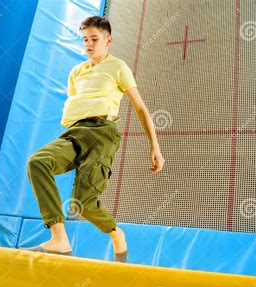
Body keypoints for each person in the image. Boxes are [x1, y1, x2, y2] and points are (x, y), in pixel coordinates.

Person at [23, 16, 165, 262]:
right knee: (38, 162)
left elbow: (140, 108)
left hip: (102, 134)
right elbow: (78, 105)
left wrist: (155, 146)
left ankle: (116, 233)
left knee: (84, 204)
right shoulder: (76, 72)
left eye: (94, 39)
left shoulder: (118, 67)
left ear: (108, 40)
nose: (89, 44)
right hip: (75, 132)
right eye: (85, 40)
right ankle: (59, 239)